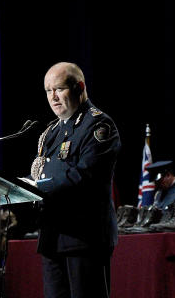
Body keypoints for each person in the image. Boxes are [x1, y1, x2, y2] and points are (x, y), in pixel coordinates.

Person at [31, 62, 121, 298]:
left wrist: (36, 187)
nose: (53, 97)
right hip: (53, 236)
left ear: (79, 87)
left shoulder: (99, 125)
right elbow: (45, 172)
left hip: (84, 237)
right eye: (48, 91)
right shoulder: (52, 132)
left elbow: (83, 176)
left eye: (59, 89)